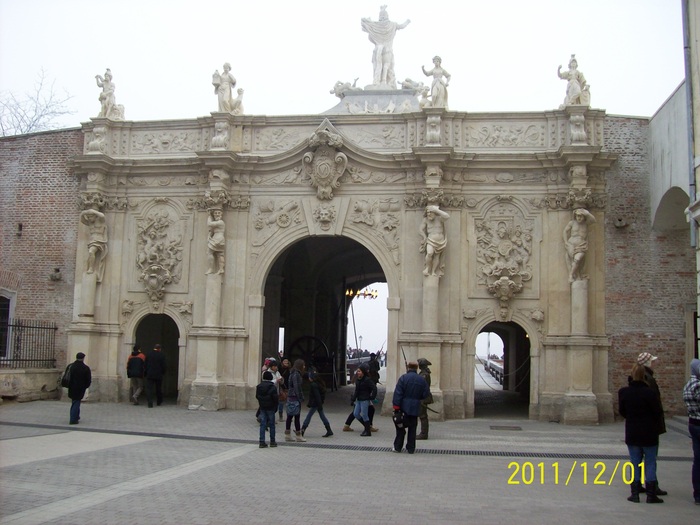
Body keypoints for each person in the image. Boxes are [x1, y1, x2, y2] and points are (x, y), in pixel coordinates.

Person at [618, 363, 664, 503]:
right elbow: (658, 412)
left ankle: (635, 493)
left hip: (632, 431)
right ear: (644, 375)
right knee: (650, 462)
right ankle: (651, 494)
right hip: (649, 432)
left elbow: (622, 411)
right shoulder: (650, 393)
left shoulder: (624, 392)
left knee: (634, 462)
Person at [632, 352, 668, 496]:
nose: (655, 363)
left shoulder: (627, 389)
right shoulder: (650, 382)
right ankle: (652, 490)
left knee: (636, 460)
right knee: (650, 460)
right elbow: (656, 407)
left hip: (634, 429)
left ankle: (635, 489)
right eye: (652, 361)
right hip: (649, 428)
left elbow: (624, 410)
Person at [361, 5, 410, 87]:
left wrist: (368, 21)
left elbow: (365, 27)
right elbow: (402, 26)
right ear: (387, 16)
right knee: (387, 65)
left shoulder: (375, 25)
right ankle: (384, 81)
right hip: (387, 50)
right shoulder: (392, 25)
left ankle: (377, 81)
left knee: (377, 66)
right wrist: (407, 21)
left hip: (377, 50)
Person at [392, 361, 430, 454]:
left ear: (408, 367)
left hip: (403, 407)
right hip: (415, 407)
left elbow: (398, 393)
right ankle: (411, 448)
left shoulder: (403, 378)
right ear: (417, 368)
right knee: (412, 428)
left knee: (400, 427)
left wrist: (396, 407)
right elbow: (426, 393)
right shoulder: (421, 379)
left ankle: (398, 447)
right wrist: (418, 398)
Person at [682, 358, 700, 505]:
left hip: (693, 422)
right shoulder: (698, 385)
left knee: (697, 460)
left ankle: (697, 493)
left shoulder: (688, 385)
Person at [563, 208, 595, 283]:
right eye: (577, 216)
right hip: (571, 245)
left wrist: (586, 212)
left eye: (581, 216)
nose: (579, 218)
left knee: (577, 259)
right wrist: (566, 242)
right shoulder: (572, 223)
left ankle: (571, 275)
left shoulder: (586, 224)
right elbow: (565, 231)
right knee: (573, 262)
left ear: (584, 217)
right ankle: (576, 275)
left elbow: (593, 220)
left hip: (582, 246)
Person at [419, 204, 450, 277]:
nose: (429, 214)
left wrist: (437, 210)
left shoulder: (440, 218)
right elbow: (420, 229)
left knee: (437, 257)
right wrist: (424, 237)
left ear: (434, 212)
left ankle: (433, 271)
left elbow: (447, 216)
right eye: (427, 212)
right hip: (430, 239)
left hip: (440, 241)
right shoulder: (426, 220)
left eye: (430, 212)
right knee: (429, 253)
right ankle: (427, 268)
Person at [301, 369, 333, 438]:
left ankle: (303, 429)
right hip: (318, 403)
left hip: (316, 403)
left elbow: (317, 395)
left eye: (309, 377)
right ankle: (329, 429)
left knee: (309, 416)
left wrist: (319, 405)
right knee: (322, 416)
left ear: (312, 378)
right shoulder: (319, 384)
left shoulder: (313, 385)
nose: (308, 378)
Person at [80, 208, 108, 281]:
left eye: (91, 216)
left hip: (99, 240)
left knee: (91, 252)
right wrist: (84, 213)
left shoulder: (100, 221)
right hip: (92, 240)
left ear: (95, 216)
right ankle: (90, 267)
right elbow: (82, 220)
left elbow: (102, 216)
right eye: (88, 217)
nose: (89, 218)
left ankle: (91, 268)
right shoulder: (90, 223)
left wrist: (93, 211)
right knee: (90, 256)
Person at [351, 363, 377, 436]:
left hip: (365, 399)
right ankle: (367, 427)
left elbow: (374, 388)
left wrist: (372, 397)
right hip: (359, 399)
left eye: (359, 371)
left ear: (363, 372)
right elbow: (357, 390)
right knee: (356, 414)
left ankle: (367, 431)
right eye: (357, 371)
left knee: (365, 415)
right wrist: (353, 399)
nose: (358, 373)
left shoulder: (367, 380)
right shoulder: (358, 380)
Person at [285, 359, 307, 442]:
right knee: (296, 416)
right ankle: (298, 435)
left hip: (290, 396)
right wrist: (301, 398)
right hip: (295, 397)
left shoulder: (292, 373)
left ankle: (287, 434)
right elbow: (297, 387)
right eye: (303, 365)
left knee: (289, 416)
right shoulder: (296, 374)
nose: (304, 367)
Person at [66, 352, 92, 424]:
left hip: (71, 387)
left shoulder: (71, 366)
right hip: (80, 388)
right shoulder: (85, 368)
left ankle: (76, 416)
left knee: (74, 402)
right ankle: (73, 419)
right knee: (76, 402)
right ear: (83, 358)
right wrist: (86, 386)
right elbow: (88, 379)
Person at [256, 370, 278, 448]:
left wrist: (262, 403)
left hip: (262, 407)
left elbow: (257, 396)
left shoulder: (259, 386)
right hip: (271, 407)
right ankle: (272, 441)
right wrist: (275, 406)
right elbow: (275, 398)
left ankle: (262, 441)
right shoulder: (273, 387)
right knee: (272, 424)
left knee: (263, 424)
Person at [416, 357, 433, 440]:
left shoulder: (424, 375)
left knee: (423, 416)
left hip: (423, 397)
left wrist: (421, 398)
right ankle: (423, 433)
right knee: (423, 416)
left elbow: (422, 387)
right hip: (423, 397)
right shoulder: (424, 373)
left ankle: (423, 434)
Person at [145, 343, 166, 408]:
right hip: (158, 374)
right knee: (158, 388)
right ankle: (159, 401)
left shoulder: (149, 354)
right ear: (159, 349)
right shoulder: (161, 355)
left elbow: (145, 364)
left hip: (150, 374)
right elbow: (164, 365)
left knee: (149, 389)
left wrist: (146, 372)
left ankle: (150, 403)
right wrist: (163, 372)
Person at [206, 209, 225, 274]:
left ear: (221, 214)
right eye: (215, 213)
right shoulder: (219, 222)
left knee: (209, 252)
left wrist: (209, 216)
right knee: (220, 253)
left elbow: (209, 224)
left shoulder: (220, 222)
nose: (217, 214)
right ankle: (221, 269)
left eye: (218, 213)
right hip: (220, 238)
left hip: (217, 238)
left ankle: (211, 269)